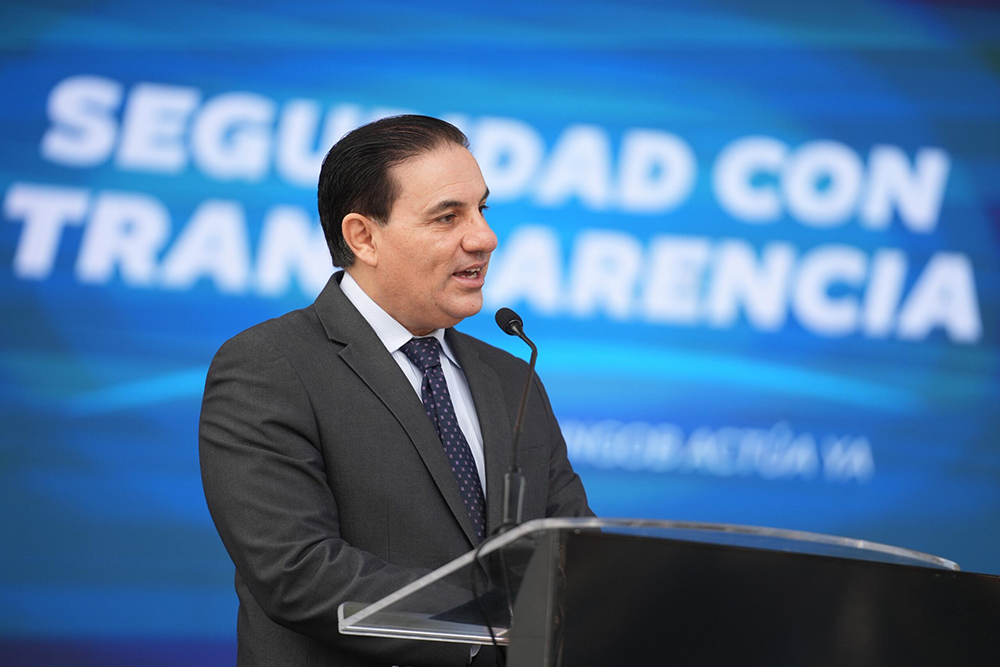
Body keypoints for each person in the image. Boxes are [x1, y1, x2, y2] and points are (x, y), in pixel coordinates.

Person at [199, 115, 592, 667]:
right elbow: (298, 572)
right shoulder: (269, 366)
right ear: (363, 237)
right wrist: (497, 617)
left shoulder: (511, 376)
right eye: (448, 216)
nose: (484, 237)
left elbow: (574, 553)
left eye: (482, 209)